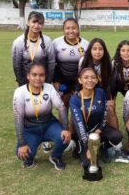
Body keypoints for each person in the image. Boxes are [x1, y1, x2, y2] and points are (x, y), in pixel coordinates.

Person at [70, 67, 128, 175]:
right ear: (80, 80)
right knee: (90, 164)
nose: (90, 80)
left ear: (97, 80)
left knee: (117, 136)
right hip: (83, 134)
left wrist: (99, 130)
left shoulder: (100, 92)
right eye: (86, 77)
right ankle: (79, 148)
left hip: (98, 129)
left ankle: (103, 148)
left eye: (93, 77)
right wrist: (89, 147)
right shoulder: (75, 99)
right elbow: (79, 125)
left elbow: (104, 114)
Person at [13, 62, 71, 170]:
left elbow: (61, 107)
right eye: (34, 75)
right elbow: (18, 119)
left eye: (41, 75)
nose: (38, 78)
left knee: (65, 138)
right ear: (28, 76)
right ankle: (30, 158)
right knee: (23, 154)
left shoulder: (49, 88)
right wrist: (22, 144)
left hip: (49, 124)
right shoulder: (19, 92)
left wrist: (65, 129)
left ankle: (55, 157)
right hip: (30, 128)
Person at [52, 18, 89, 154]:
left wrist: (81, 84)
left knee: (76, 107)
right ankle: (64, 133)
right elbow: (52, 63)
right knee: (63, 105)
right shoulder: (56, 43)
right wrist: (55, 80)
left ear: (78, 29)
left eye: (73, 28)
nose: (71, 31)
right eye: (67, 28)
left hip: (78, 81)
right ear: (63, 30)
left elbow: (87, 66)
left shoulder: (86, 44)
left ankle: (74, 136)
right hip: (62, 80)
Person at [12, 11, 55, 87]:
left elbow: (51, 63)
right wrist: (21, 82)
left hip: (42, 80)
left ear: (43, 25)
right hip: (25, 81)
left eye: (40, 23)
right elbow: (17, 65)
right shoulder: (18, 42)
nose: (36, 25)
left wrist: (48, 81)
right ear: (28, 22)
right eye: (34, 22)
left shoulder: (47, 41)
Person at [108, 40, 129, 129]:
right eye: (123, 51)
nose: (126, 53)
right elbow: (110, 82)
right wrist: (111, 97)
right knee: (111, 106)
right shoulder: (113, 63)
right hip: (115, 85)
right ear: (119, 52)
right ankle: (114, 130)